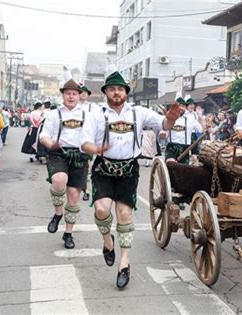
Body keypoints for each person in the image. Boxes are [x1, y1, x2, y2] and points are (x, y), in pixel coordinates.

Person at [80, 71, 182, 289]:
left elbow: (164, 125)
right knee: (101, 209)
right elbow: (84, 143)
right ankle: (108, 242)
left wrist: (172, 117)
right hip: (103, 167)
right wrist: (96, 148)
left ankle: (124, 263)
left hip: (128, 168)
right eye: (112, 89)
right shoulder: (96, 114)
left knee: (124, 214)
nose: (116, 92)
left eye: (120, 89)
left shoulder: (139, 113)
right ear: (106, 92)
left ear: (126, 92)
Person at [39, 79, 91, 249]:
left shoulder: (86, 115)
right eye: (68, 93)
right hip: (58, 153)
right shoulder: (53, 114)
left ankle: (68, 233)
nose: (71, 96)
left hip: (79, 156)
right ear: (62, 95)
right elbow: (44, 135)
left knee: (74, 197)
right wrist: (50, 144)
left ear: (79, 95)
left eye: (74, 93)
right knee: (59, 180)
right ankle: (57, 214)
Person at [164, 96, 202, 164]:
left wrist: (200, 117)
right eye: (179, 106)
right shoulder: (169, 117)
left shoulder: (191, 119)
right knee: (171, 164)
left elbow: (201, 129)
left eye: (183, 106)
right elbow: (163, 128)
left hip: (184, 148)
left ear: (185, 108)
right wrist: (162, 134)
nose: (181, 108)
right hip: (172, 146)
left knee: (183, 169)